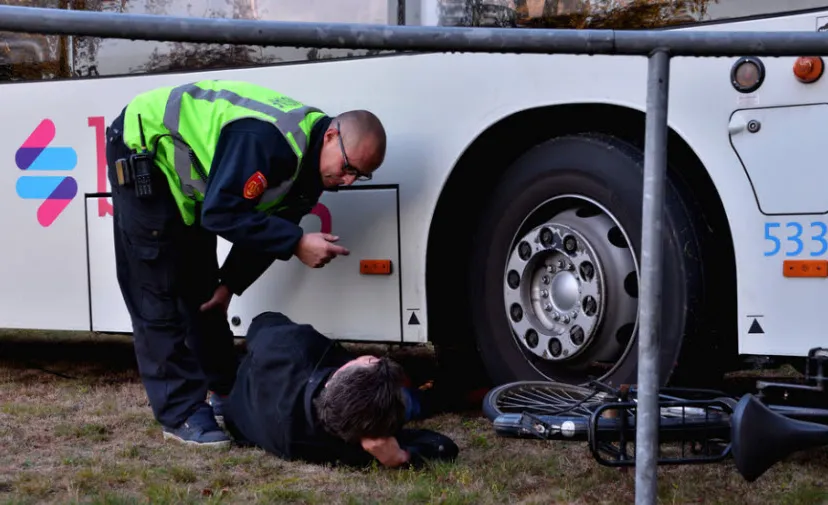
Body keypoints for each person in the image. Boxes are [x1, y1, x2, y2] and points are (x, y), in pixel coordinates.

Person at [104, 79, 387, 448]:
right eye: (348, 167)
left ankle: (225, 391)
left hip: (193, 190)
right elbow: (221, 213)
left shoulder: (312, 167)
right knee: (156, 293)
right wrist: (297, 243)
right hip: (143, 150)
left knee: (204, 292)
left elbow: (269, 227)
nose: (347, 181)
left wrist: (228, 286)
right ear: (331, 136)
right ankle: (181, 413)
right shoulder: (265, 139)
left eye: (359, 175)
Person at [219, 311, 460, 468]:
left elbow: (263, 319)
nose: (372, 357)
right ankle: (445, 396)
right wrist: (399, 459)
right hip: (243, 403)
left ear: (335, 375)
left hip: (240, 403)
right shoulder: (352, 449)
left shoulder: (289, 347)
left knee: (409, 401)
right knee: (413, 402)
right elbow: (443, 447)